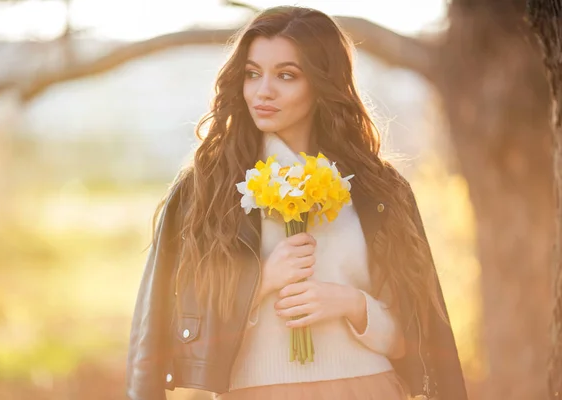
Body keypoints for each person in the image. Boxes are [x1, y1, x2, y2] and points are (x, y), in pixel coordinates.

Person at [126, 5, 467, 400]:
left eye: (286, 75)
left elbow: (418, 335)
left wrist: (352, 304)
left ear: (323, 83)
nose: (263, 91)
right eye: (253, 74)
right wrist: (263, 278)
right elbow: (166, 324)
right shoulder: (207, 189)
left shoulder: (379, 190)